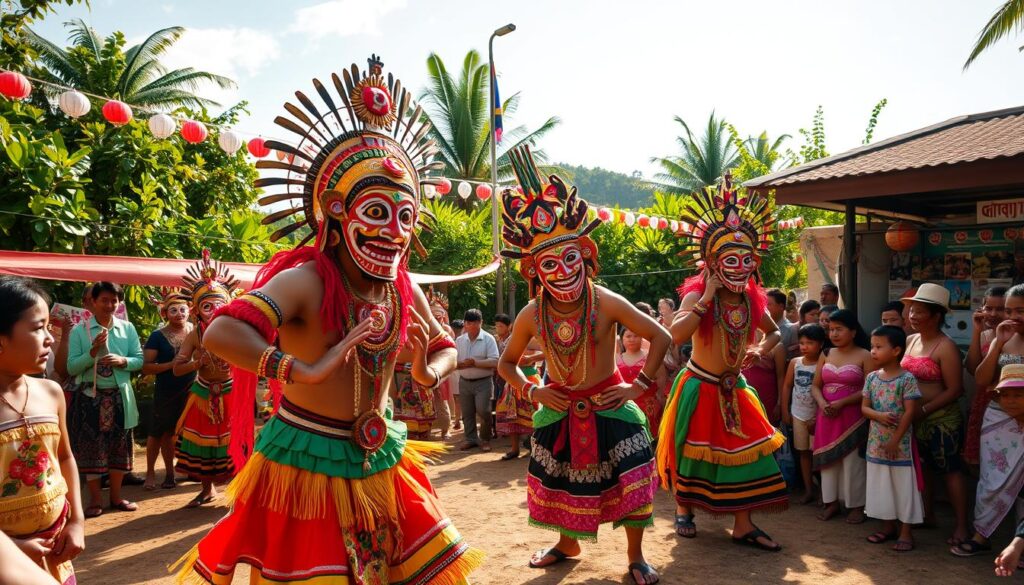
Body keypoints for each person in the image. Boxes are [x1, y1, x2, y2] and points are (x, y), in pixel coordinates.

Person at [172, 55, 481, 584]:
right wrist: (295, 370)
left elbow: (440, 345)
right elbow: (223, 330)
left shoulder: (402, 286)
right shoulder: (306, 281)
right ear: (337, 210)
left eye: (405, 217)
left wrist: (434, 370)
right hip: (304, 458)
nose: (395, 232)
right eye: (378, 213)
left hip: (380, 454)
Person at [497, 146, 668, 584]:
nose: (562, 271)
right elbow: (508, 364)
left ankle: (635, 557)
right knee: (556, 485)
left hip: (612, 403)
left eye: (570, 259)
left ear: (585, 253)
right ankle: (566, 543)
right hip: (557, 406)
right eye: (549, 264)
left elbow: (661, 337)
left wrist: (639, 385)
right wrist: (533, 391)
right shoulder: (532, 314)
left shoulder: (607, 301)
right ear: (533, 269)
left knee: (632, 485)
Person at [658, 173, 788, 552]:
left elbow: (776, 333)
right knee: (691, 452)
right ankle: (684, 510)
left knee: (747, 453)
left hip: (736, 388)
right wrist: (707, 297)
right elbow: (677, 336)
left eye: (747, 259)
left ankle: (743, 524)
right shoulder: (698, 293)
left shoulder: (752, 300)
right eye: (730, 259)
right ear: (712, 261)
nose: (740, 266)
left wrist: (761, 349)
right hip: (699, 386)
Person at [0, 276, 84, 584]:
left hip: (56, 552)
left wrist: (77, 521)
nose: (50, 338)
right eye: (38, 328)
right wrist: (12, 550)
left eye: (49, 326)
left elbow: (64, 458)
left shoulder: (51, 392)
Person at [953, 288, 1024, 558]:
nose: (1012, 316)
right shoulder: (1001, 339)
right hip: (998, 417)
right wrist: (996, 344)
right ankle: (981, 536)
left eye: (1020, 310)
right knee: (991, 480)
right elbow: (982, 380)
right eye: (1009, 310)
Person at [65, 281, 143, 518]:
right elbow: (71, 367)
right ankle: (96, 500)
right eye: (104, 300)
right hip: (90, 399)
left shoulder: (127, 328)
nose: (110, 305)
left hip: (120, 397)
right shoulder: (80, 330)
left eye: (114, 300)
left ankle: (116, 497)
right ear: (92, 302)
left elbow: (139, 359)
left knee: (120, 448)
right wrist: (92, 353)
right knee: (92, 450)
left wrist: (124, 361)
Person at [901, 283, 969, 547]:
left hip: (942, 420)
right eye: (911, 311)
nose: (912, 316)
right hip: (914, 418)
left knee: (950, 471)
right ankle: (927, 515)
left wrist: (925, 410)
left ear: (936, 315)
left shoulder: (946, 346)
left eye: (919, 311)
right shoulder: (910, 340)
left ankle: (962, 526)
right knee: (925, 468)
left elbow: (955, 390)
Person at [171, 251, 238, 508]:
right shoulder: (194, 334)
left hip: (231, 393)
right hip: (202, 394)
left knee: (234, 443)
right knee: (201, 443)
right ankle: (207, 490)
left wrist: (235, 361)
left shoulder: (235, 331)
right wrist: (195, 363)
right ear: (197, 310)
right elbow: (177, 369)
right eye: (207, 306)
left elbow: (252, 362)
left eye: (218, 305)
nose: (213, 312)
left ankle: (238, 491)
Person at [861, 325, 923, 552]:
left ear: (896, 350)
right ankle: (887, 527)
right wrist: (880, 416)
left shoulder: (907, 379)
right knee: (881, 484)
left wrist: (895, 440)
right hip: (876, 443)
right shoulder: (871, 378)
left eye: (879, 347)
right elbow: (864, 409)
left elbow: (910, 412)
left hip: (900, 446)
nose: (873, 351)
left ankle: (906, 532)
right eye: (872, 347)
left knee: (903, 486)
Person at [811, 309, 872, 524]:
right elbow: (816, 385)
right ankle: (831, 503)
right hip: (826, 415)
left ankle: (856, 505)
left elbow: (870, 388)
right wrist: (822, 403)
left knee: (853, 461)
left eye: (839, 329)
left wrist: (843, 402)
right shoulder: (826, 354)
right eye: (831, 330)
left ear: (853, 332)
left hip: (853, 416)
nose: (834, 334)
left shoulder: (865, 355)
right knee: (828, 461)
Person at [141, 287, 195, 491]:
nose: (179, 314)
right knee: (162, 432)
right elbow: (146, 367)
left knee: (192, 430)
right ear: (165, 313)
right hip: (167, 391)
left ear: (189, 310)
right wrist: (172, 365)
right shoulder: (158, 336)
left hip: (193, 389)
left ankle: (193, 470)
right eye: (174, 310)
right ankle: (158, 473)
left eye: (182, 309)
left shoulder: (196, 330)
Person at [963, 285, 1009, 468]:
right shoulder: (983, 336)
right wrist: (976, 330)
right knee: (984, 458)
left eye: (1000, 309)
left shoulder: (1016, 338)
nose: (993, 313)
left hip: (1008, 402)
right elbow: (973, 369)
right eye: (988, 308)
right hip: (983, 402)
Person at [781, 323, 826, 504]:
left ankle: (825, 494)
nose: (805, 347)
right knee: (803, 453)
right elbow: (787, 386)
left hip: (819, 416)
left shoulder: (825, 363)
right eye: (802, 343)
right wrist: (785, 410)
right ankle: (809, 490)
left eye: (810, 343)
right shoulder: (795, 363)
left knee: (821, 454)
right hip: (798, 414)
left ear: (821, 344)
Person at [495, 315, 541, 460]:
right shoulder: (512, 340)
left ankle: (536, 448)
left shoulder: (534, 339)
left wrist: (531, 358)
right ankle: (515, 449)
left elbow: (548, 352)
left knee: (534, 414)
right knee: (511, 415)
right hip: (513, 380)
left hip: (531, 379)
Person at [456, 309, 499, 452]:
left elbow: (495, 361)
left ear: (481, 323)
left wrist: (475, 363)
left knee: (484, 411)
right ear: (465, 324)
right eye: (469, 323)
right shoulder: (459, 340)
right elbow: (454, 360)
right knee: (467, 413)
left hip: (484, 381)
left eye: (476, 322)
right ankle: (470, 438)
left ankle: (485, 439)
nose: (472, 326)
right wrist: (459, 365)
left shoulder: (488, 339)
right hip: (464, 381)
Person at [618, 327, 667, 438]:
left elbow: (661, 378)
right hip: (624, 408)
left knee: (652, 440)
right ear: (622, 339)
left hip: (649, 408)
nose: (632, 339)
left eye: (636, 336)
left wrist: (660, 396)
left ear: (642, 338)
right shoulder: (616, 359)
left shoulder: (651, 358)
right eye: (628, 336)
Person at [426, 288, 455, 439]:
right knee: (426, 401)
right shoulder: (426, 328)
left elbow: (448, 350)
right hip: (426, 368)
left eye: (439, 316)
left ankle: (446, 429)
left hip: (440, 369)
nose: (436, 319)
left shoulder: (446, 330)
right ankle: (428, 428)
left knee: (443, 398)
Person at [450, 319, 465, 430]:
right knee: (460, 398)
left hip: (457, 372)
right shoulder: (464, 341)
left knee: (457, 398)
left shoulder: (452, 341)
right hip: (459, 372)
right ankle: (459, 418)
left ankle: (458, 419)